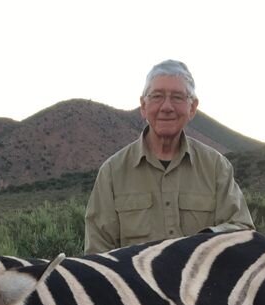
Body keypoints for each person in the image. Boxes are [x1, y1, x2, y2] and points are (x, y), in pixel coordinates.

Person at [84, 60, 253, 254]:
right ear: (143, 106)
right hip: (134, 285)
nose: (167, 107)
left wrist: (202, 243)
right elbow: (97, 252)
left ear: (192, 108)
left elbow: (242, 231)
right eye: (157, 96)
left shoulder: (215, 167)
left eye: (177, 97)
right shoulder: (112, 173)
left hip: (202, 283)